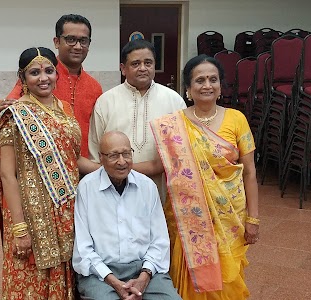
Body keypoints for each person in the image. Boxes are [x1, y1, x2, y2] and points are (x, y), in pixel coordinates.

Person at [0, 47, 99, 299]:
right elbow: (8, 175)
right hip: (29, 211)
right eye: (34, 72)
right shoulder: (14, 115)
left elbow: (74, 159)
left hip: (66, 208)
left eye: (49, 71)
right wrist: (19, 228)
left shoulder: (63, 110)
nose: (43, 77)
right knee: (30, 275)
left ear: (57, 74)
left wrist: (108, 169)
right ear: (22, 78)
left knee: (65, 271)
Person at [149, 54, 260, 299]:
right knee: (189, 276)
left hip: (230, 215)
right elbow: (159, 165)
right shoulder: (174, 125)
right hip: (189, 218)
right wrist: (117, 165)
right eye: (200, 80)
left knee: (227, 279)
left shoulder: (236, 119)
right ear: (188, 88)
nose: (207, 85)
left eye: (213, 79)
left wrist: (254, 219)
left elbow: (250, 172)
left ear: (221, 86)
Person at [72, 131, 182, 300]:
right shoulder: (86, 188)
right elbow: (83, 249)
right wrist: (114, 282)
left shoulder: (147, 187)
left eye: (126, 154)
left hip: (144, 270)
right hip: (100, 273)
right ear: (101, 158)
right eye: (113, 156)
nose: (122, 161)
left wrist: (143, 278)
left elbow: (160, 242)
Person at [0, 14, 102, 158]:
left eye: (83, 41)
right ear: (56, 42)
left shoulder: (94, 87)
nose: (78, 46)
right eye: (71, 39)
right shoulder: (41, 79)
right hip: (42, 165)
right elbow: (8, 111)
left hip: (82, 164)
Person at [88, 39, 186, 199]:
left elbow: (179, 155)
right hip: (114, 190)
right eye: (135, 64)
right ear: (123, 69)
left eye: (148, 63)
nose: (143, 68)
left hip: (160, 190)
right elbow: (95, 150)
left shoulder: (174, 101)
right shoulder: (106, 102)